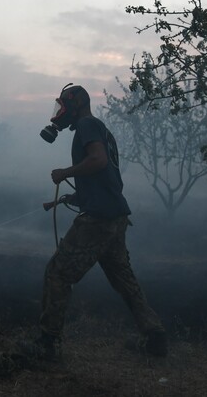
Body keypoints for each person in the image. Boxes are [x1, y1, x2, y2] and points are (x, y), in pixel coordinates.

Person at [34, 84, 166, 361]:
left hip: (98, 221)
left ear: (77, 105)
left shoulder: (87, 125)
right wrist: (72, 196)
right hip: (115, 216)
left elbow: (98, 161)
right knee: (124, 281)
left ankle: (46, 345)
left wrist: (64, 172)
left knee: (58, 274)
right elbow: (104, 177)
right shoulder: (98, 128)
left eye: (63, 107)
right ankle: (154, 337)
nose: (59, 114)